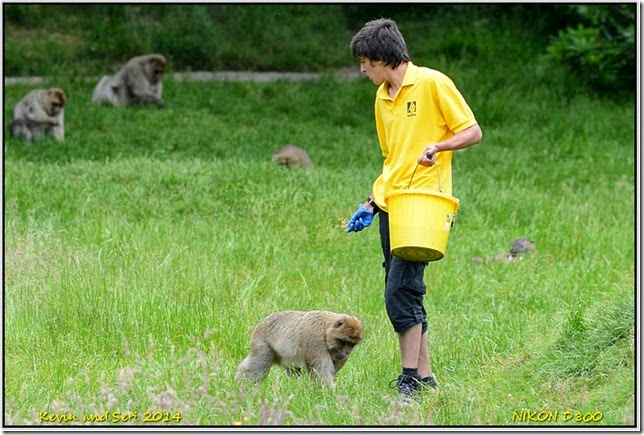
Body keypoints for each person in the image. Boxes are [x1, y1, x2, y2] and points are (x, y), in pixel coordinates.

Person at [346, 18, 482, 399]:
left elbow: (473, 131)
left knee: (399, 293)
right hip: (393, 204)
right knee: (406, 289)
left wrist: (438, 148)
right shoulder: (382, 96)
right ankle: (425, 377)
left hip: (424, 204)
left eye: (364, 62)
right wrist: (372, 203)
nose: (362, 70)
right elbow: (393, 158)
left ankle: (408, 381)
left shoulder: (433, 83)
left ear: (380, 57)